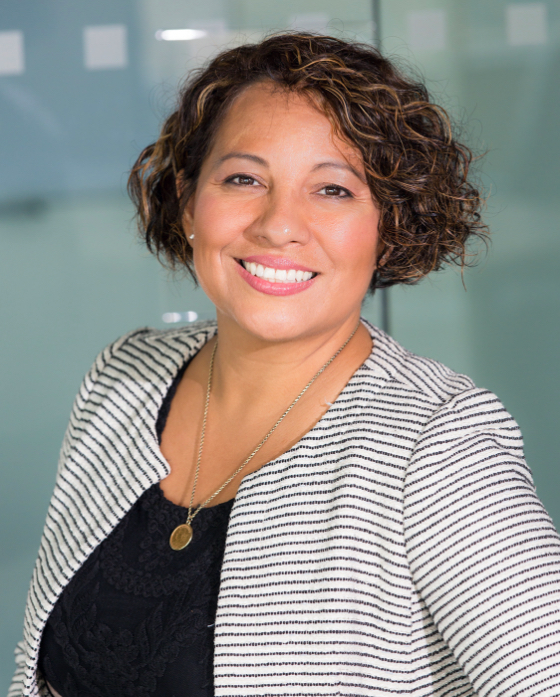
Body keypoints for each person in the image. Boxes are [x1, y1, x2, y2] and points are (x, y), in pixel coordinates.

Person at [10, 33, 560, 697]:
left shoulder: (438, 445)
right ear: (188, 201)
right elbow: (35, 667)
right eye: (243, 178)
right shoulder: (123, 378)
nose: (278, 224)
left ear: (388, 224)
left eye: (331, 189)